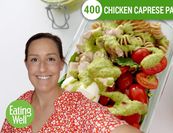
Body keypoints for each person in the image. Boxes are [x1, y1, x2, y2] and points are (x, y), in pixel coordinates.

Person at [1, 33, 141, 133]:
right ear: (26, 64)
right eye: (34, 60)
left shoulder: (78, 107)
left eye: (50, 59)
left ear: (62, 64)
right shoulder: (21, 104)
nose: (42, 68)